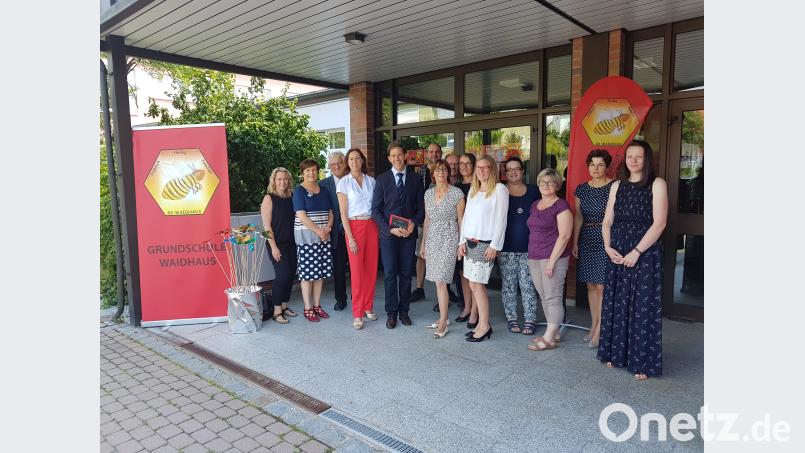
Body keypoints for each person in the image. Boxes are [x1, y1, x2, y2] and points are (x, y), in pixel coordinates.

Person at [598, 140, 668, 380]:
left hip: (644, 253)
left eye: (638, 156)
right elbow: (607, 220)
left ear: (646, 159)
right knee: (616, 303)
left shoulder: (657, 184)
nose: (633, 160)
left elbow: (659, 223)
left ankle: (641, 363)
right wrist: (607, 246)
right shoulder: (617, 185)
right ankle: (615, 354)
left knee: (641, 306)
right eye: (629, 156)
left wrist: (637, 252)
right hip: (617, 251)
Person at [372, 142, 425, 329]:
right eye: (393, 156)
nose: (397, 158)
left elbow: (421, 209)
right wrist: (389, 229)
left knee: (405, 274)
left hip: (408, 235)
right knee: (389, 274)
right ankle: (391, 313)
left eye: (399, 155)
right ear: (389, 159)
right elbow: (375, 211)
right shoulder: (382, 179)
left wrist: (414, 223)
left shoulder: (416, 179)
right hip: (389, 236)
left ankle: (404, 311)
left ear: (406, 156)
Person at [458, 155, 508, 342]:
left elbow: (502, 220)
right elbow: (467, 218)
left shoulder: (500, 190)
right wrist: (461, 241)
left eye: (485, 167)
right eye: (478, 167)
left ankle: (485, 325)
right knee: (472, 284)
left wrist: (495, 245)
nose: (481, 170)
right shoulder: (474, 189)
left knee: (477, 285)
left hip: (486, 244)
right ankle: (480, 324)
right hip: (470, 243)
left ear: (492, 169)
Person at [526, 168, 573, 351]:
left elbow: (565, 236)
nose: (546, 185)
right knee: (544, 296)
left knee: (553, 297)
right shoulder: (535, 204)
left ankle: (549, 337)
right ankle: (554, 333)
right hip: (534, 256)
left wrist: (552, 262)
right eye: (542, 182)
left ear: (557, 185)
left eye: (550, 182)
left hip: (553, 258)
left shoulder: (561, 206)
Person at [572, 149, 614, 348]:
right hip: (587, 237)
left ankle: (601, 329)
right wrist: (574, 242)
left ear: (607, 166)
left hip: (607, 237)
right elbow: (578, 216)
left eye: (600, 165)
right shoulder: (581, 189)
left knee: (602, 286)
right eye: (592, 164)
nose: (595, 168)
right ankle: (593, 323)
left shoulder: (615, 186)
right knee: (590, 285)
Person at [419, 159, 465, 338]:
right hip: (432, 238)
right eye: (437, 170)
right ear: (433, 174)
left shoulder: (457, 193)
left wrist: (461, 243)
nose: (440, 173)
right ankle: (443, 318)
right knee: (438, 281)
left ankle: (444, 321)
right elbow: (427, 219)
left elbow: (461, 220)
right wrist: (423, 243)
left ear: (448, 173)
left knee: (441, 281)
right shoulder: (428, 194)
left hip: (449, 237)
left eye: (443, 170)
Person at [336, 148, 379, 330]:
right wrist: (350, 237)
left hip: (371, 225)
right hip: (354, 227)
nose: (354, 161)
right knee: (356, 271)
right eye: (351, 159)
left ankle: (368, 306)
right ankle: (358, 312)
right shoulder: (343, 183)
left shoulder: (372, 181)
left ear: (362, 161)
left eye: (357, 158)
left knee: (371, 269)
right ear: (348, 162)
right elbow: (343, 214)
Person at [499, 157, 541, 335]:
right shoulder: (500, 191)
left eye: (516, 168)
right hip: (505, 248)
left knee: (528, 285)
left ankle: (530, 318)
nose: (513, 172)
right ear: (505, 172)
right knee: (508, 285)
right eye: (509, 169)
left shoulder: (534, 191)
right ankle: (512, 318)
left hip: (529, 249)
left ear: (523, 171)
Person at [292, 159, 334, 322]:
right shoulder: (299, 191)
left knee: (320, 273)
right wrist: (318, 231)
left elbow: (331, 212)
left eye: (314, 170)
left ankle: (317, 305)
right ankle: (308, 307)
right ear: (302, 173)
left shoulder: (324, 190)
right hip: (307, 239)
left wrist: (328, 228)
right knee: (308, 274)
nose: (311, 173)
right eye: (308, 170)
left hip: (324, 237)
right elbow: (301, 216)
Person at [259, 168, 298, 324]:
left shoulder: (292, 197)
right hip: (276, 244)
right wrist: (274, 247)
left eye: (285, 179)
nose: (282, 182)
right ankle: (276, 311)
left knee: (290, 275)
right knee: (282, 276)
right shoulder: (269, 198)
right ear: (274, 181)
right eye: (279, 179)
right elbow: (266, 227)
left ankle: (284, 306)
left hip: (292, 243)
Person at [319, 151, 350, 311]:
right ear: (329, 167)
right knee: (338, 268)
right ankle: (341, 299)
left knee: (357, 268)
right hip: (335, 234)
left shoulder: (353, 179)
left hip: (353, 230)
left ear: (344, 163)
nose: (336, 166)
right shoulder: (323, 184)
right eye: (333, 165)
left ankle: (359, 298)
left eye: (339, 163)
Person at [454, 153, 477, 325]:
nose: (464, 166)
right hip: (460, 236)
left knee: (475, 277)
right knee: (463, 274)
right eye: (461, 163)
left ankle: (476, 312)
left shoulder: (479, 186)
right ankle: (467, 307)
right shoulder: (456, 187)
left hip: (476, 236)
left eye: (468, 163)